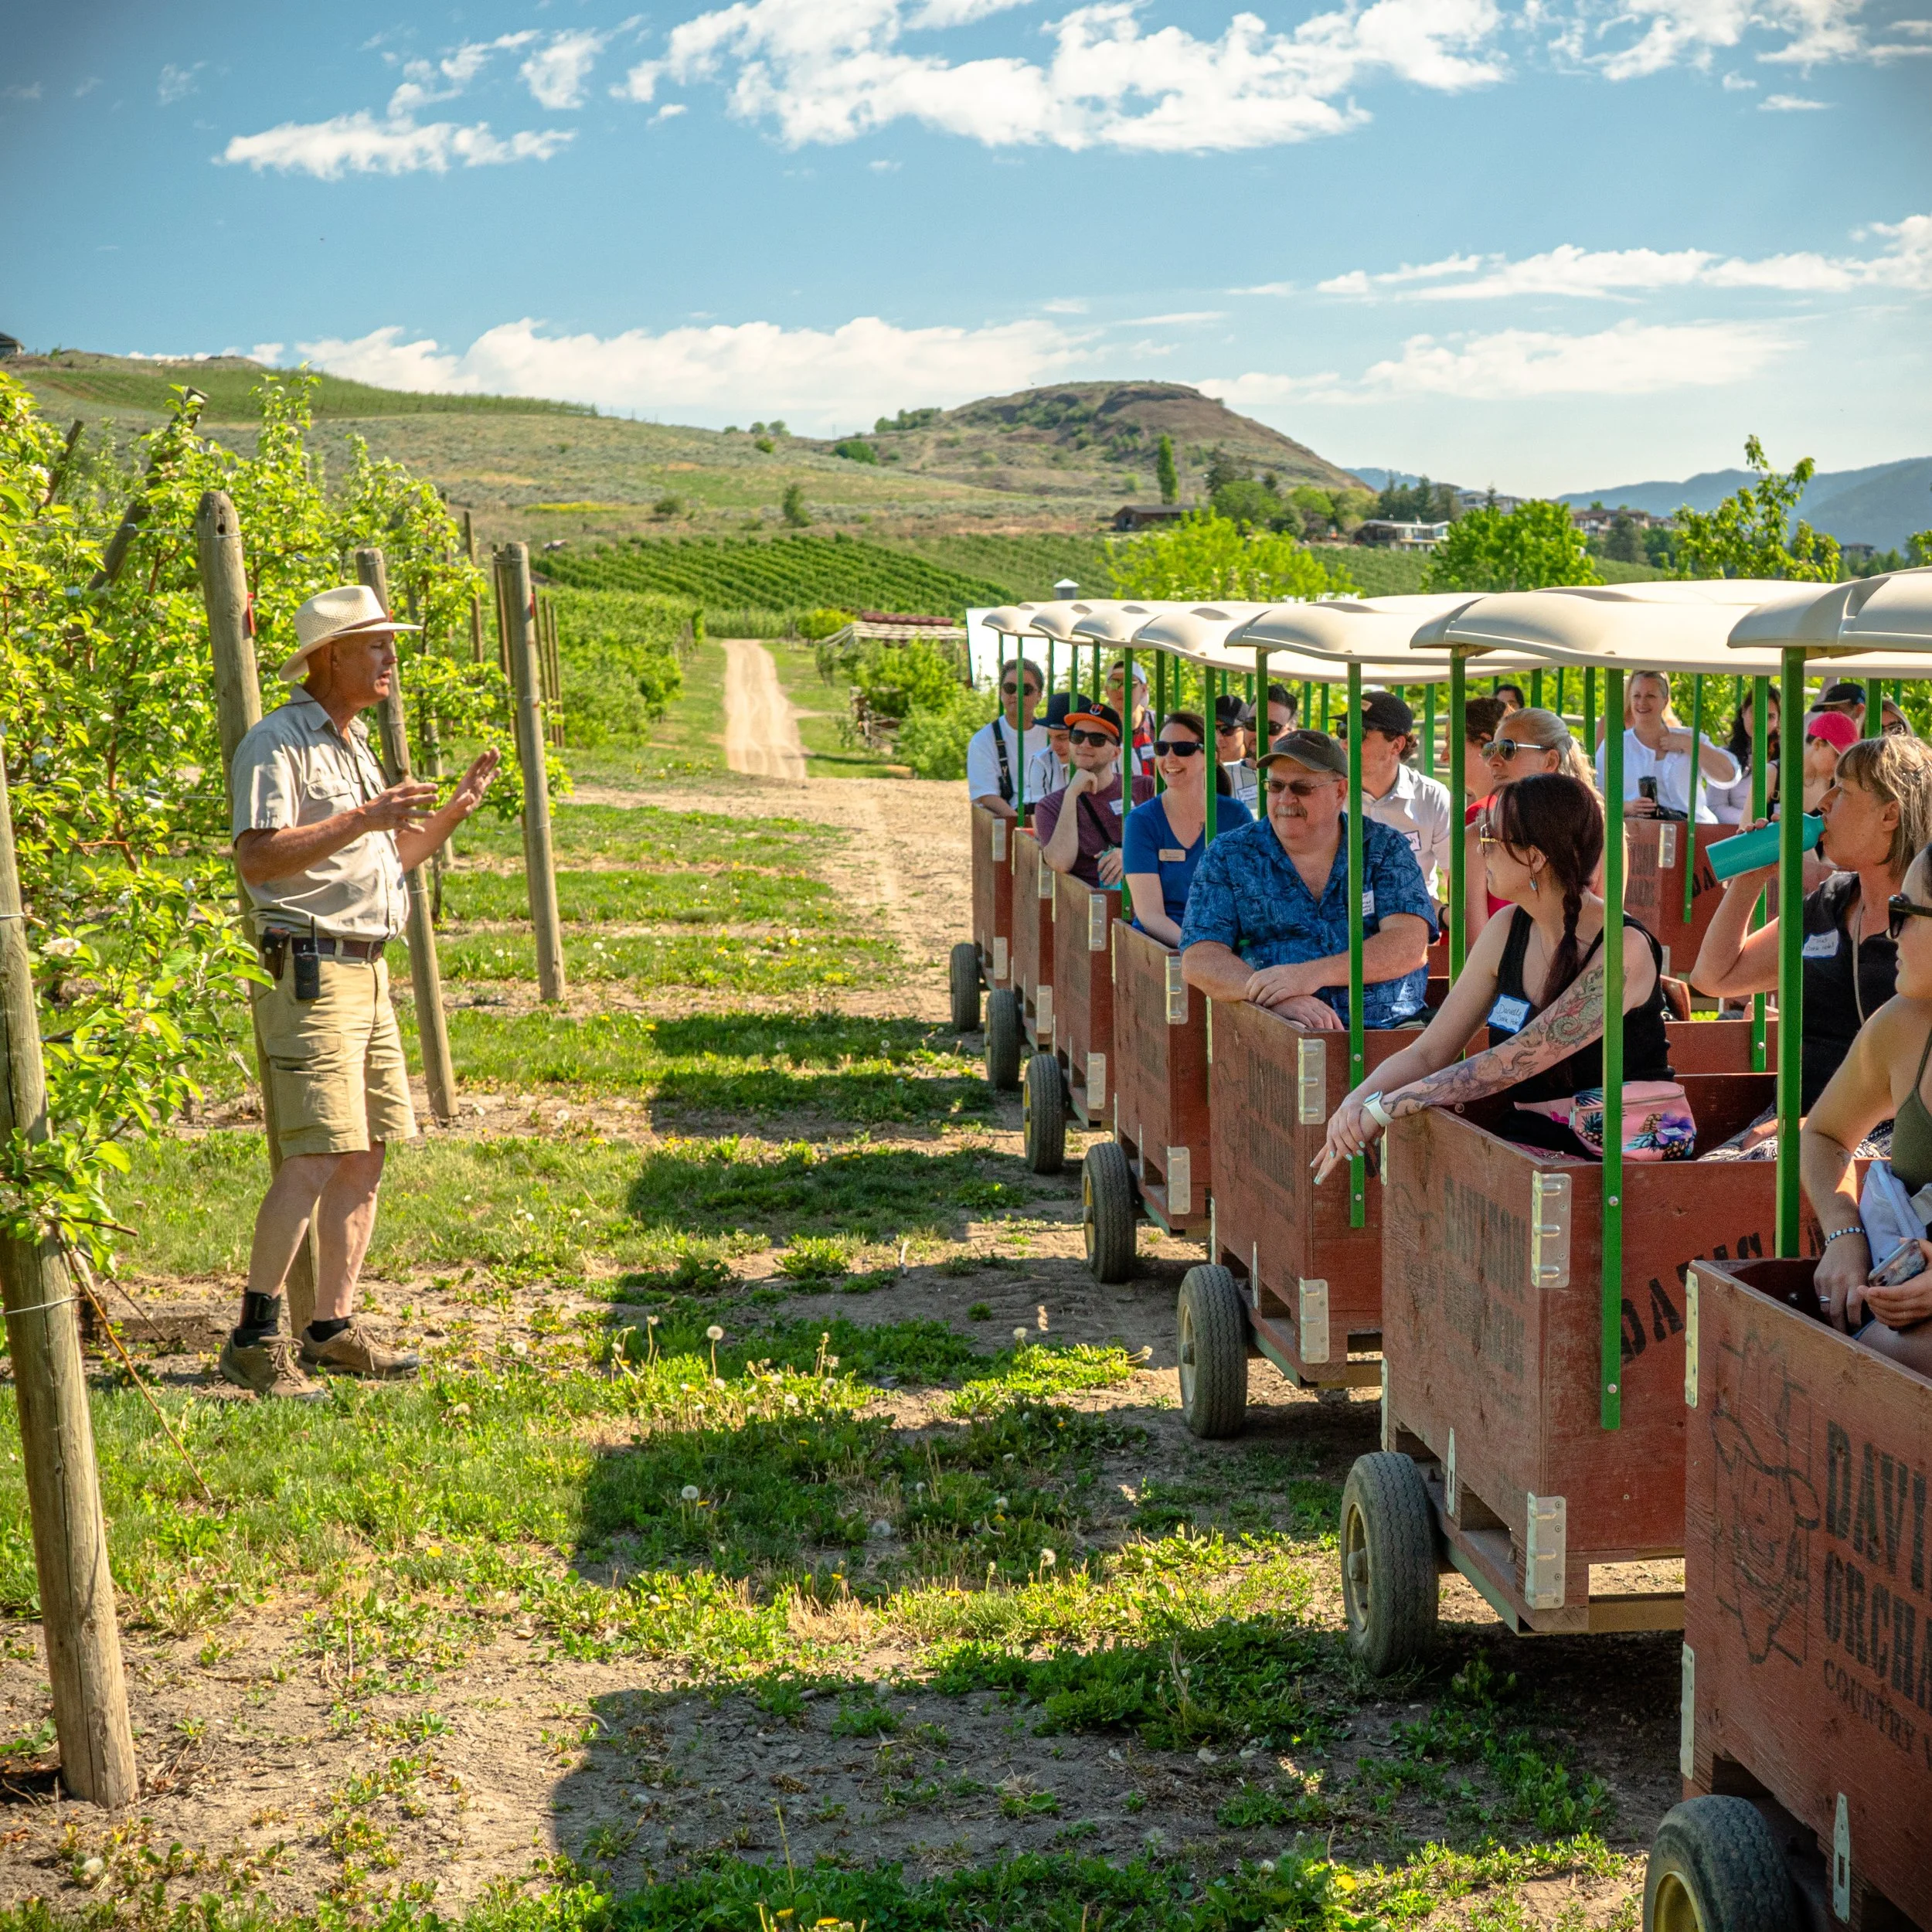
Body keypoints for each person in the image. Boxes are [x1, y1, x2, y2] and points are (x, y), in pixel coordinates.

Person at [222, 585, 502, 1400]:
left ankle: (331, 1330)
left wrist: (449, 813)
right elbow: (259, 859)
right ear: (328, 657)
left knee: (366, 1152)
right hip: (310, 967)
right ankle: (254, 1334)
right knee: (311, 1153)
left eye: (389, 644)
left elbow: (386, 858)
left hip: (366, 967)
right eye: (373, 645)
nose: (389, 659)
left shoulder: (352, 746)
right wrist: (363, 818)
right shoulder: (278, 744)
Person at [1318, 772, 1683, 1173]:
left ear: (1535, 856)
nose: (1481, 851)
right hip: (1537, 1143)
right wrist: (1357, 1101)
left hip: (1626, 1159)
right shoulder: (1509, 926)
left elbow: (1514, 1061)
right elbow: (1428, 1051)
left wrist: (1390, 1107)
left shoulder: (1624, 948)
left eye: (1490, 839)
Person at [1691, 735, 1932, 1125]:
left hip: (1882, 1133)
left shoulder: (1926, 919)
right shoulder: (1830, 901)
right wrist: (1751, 880)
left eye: (1845, 791)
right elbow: (1714, 977)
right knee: (1704, 1183)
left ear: (1890, 815)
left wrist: (1814, 1129)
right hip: (1789, 1120)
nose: (1824, 802)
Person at [1180, 730, 1436, 1032]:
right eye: (1275, 786)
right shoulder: (1229, 854)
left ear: (1340, 791)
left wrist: (1310, 975)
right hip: (1275, 1033)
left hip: (1389, 1031)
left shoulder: (1383, 848)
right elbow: (1200, 956)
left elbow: (1409, 945)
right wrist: (1274, 998)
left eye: (1302, 787)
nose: (1286, 799)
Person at [1799, 842, 1932, 1375]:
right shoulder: (1904, 1025)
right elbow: (1824, 1134)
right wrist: (1843, 1233)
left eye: (1905, 912)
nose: (1887, 931)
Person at [1462, 707, 1595, 944]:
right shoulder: (1479, 835)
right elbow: (1476, 945)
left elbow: (1604, 935)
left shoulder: (1599, 835)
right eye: (1490, 750)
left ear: (1550, 760)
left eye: (1507, 750)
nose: (1493, 761)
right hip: (1499, 972)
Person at [1121, 711, 1254, 946]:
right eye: (1162, 748)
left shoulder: (1236, 816)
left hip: (1223, 943)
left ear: (1209, 756)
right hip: (1160, 950)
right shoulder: (1141, 821)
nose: (1169, 758)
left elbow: (1248, 896)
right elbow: (1150, 915)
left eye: (1182, 748)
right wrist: (1199, 950)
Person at [1033, 701, 1155, 888]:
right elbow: (1059, 862)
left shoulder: (1144, 788)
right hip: (1091, 909)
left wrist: (1130, 854)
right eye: (1077, 736)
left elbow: (1171, 846)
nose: (1085, 745)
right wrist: (1072, 794)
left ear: (1116, 753)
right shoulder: (1050, 806)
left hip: (1148, 902)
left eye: (1097, 739)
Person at [1594, 668, 1738, 821]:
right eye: (1636, 696)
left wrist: (1688, 744)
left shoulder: (1689, 737)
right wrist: (1628, 807)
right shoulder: (1616, 745)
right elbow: (1595, 796)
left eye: (1650, 696)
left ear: (1665, 701)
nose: (1642, 702)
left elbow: (1729, 777)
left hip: (1692, 833)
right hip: (1639, 835)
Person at [1357, 691, 1454, 900]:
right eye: (1343, 731)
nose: (1347, 742)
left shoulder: (1432, 797)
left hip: (1414, 922)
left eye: (1360, 733)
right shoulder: (1331, 793)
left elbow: (1456, 877)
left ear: (1397, 745)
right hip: (1346, 925)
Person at [965, 657, 1049, 821]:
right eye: (1010, 688)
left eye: (1026, 690)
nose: (1017, 695)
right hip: (1013, 816)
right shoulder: (984, 740)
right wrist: (1021, 826)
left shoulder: (1052, 736)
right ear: (1001, 692)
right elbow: (986, 795)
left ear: (1039, 696)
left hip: (1052, 815)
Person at [1709, 687, 1780, 824]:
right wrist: (1750, 822)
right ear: (1743, 712)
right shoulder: (1725, 756)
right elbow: (1715, 807)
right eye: (1756, 712)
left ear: (1778, 721)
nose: (1761, 721)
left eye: (1770, 716)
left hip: (1775, 837)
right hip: (1735, 835)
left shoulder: (1785, 760)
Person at [1104, 660, 1156, 782]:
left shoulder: (1161, 724)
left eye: (1130, 683)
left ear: (1143, 689)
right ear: (1106, 690)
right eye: (1114, 683)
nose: (1121, 690)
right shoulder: (1100, 729)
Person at [1026, 691, 1081, 800]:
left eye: (1062, 738)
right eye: (1050, 736)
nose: (1054, 747)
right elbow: (1040, 814)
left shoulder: (1112, 758)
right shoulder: (1041, 761)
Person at [1801, 709, 1858, 813]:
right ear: (1817, 743)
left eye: (1845, 760)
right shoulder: (1773, 775)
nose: (1840, 766)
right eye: (1838, 756)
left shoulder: (1840, 787)